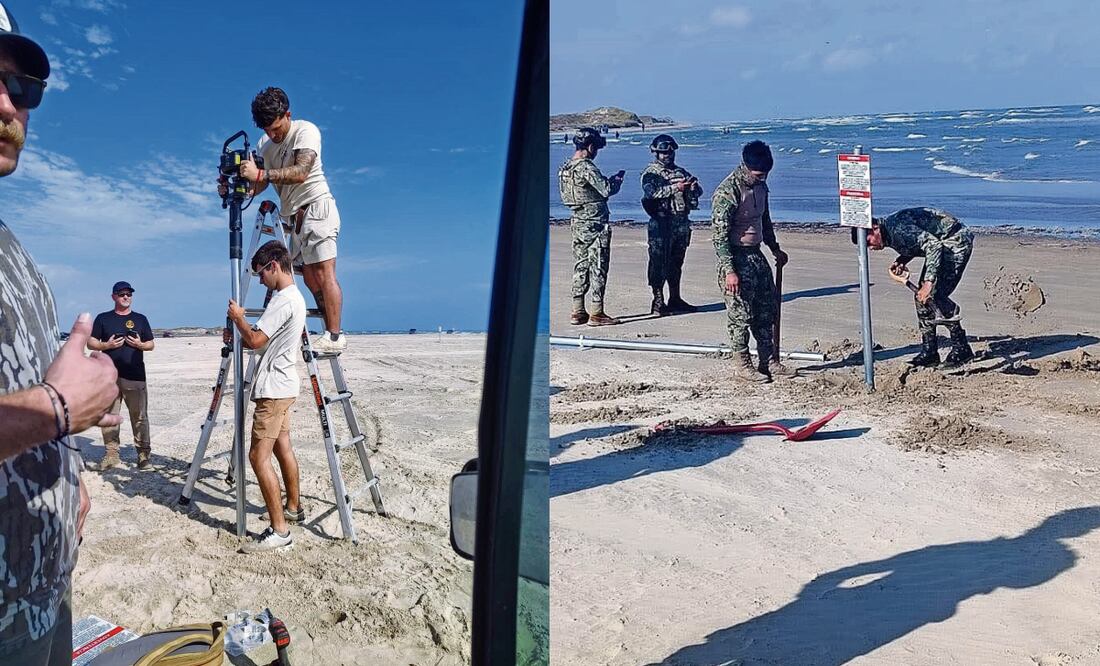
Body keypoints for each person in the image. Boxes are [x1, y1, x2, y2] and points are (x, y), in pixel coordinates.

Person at [0, 4, 121, 663]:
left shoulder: (15, 251)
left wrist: (67, 470)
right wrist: (58, 410)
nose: (8, 102)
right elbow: (47, 402)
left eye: (23, 87)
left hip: (46, 585)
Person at [238, 86, 346, 354]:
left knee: (324, 273)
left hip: (317, 207)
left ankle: (335, 337)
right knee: (309, 278)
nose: (271, 135)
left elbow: (300, 172)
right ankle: (325, 331)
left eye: (275, 128)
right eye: (266, 130)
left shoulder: (305, 130)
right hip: (293, 220)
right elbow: (260, 184)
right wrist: (244, 188)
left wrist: (261, 175)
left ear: (287, 114)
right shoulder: (265, 144)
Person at [227, 240, 307, 553]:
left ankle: (280, 531)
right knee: (282, 447)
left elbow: (257, 341)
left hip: (273, 391)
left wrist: (238, 319)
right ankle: (293, 507)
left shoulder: (283, 299)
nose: (260, 280)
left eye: (261, 273)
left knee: (257, 457)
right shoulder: (294, 297)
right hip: (285, 386)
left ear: (273, 266)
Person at [712, 140, 795, 382]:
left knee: (766, 310)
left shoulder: (761, 187)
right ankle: (742, 364)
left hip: (756, 254)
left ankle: (768, 360)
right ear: (746, 167)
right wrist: (730, 271)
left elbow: (764, 220)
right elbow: (719, 236)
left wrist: (775, 249)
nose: (763, 178)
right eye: (759, 174)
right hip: (735, 257)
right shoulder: (727, 192)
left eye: (766, 174)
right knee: (740, 315)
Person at [854, 207, 975, 368]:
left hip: (955, 241)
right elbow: (916, 242)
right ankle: (929, 351)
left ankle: (962, 348)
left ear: (874, 228)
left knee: (935, 295)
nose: (870, 248)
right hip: (942, 243)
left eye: (868, 242)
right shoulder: (890, 232)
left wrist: (928, 282)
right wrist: (902, 260)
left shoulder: (897, 228)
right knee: (921, 298)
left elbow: (933, 245)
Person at [557, 127, 625, 326]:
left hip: (577, 220)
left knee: (580, 265)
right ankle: (597, 312)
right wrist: (616, 182)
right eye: (595, 148)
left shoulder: (565, 168)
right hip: (594, 222)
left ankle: (577, 310)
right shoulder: (586, 167)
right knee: (598, 264)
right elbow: (605, 189)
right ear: (590, 146)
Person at [87, 281, 154, 470]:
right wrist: (105, 346)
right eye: (122, 294)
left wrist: (140, 345)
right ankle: (111, 455)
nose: (126, 297)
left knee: (140, 416)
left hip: (135, 376)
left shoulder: (140, 319)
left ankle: (143, 455)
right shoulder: (103, 318)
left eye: (129, 294)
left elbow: (150, 344)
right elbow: (91, 342)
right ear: (113, 297)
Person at [640, 134, 703, 315]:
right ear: (656, 154)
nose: (667, 155)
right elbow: (651, 193)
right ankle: (658, 301)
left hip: (680, 223)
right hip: (661, 223)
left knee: (676, 263)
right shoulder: (651, 173)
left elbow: (697, 191)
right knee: (658, 262)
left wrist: (693, 187)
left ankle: (675, 298)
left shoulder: (680, 172)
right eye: (663, 153)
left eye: (670, 152)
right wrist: (676, 188)